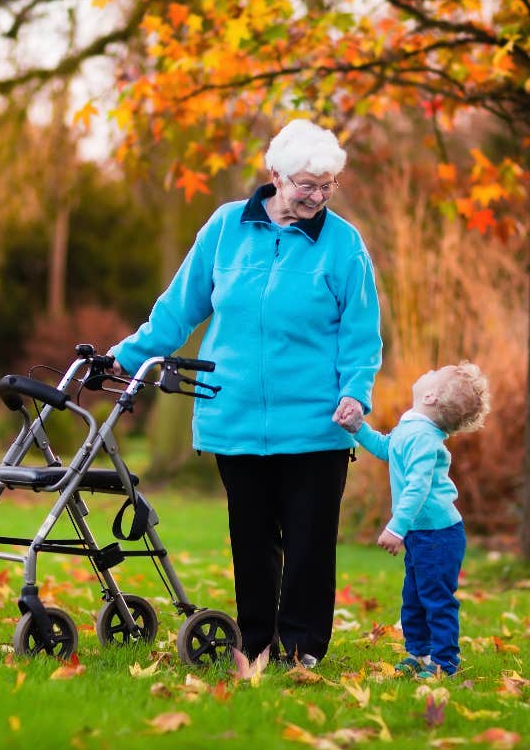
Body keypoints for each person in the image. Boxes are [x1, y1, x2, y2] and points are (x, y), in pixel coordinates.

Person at [108, 118, 382, 667]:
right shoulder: (227, 226)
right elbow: (180, 305)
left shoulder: (343, 244)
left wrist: (356, 390)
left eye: (327, 185)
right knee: (251, 542)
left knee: (308, 544)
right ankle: (255, 644)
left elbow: (360, 330)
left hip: (314, 423)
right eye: (306, 184)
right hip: (231, 415)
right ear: (274, 174)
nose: (315, 196)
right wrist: (128, 356)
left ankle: (301, 649)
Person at [335, 361, 490, 679]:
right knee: (415, 597)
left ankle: (444, 662)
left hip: (438, 534)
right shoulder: (413, 427)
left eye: (434, 373)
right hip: (425, 534)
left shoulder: (424, 437)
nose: (427, 371)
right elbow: (386, 448)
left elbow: (417, 487)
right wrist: (358, 428)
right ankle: (419, 653)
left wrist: (396, 526)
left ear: (431, 396)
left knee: (436, 599)